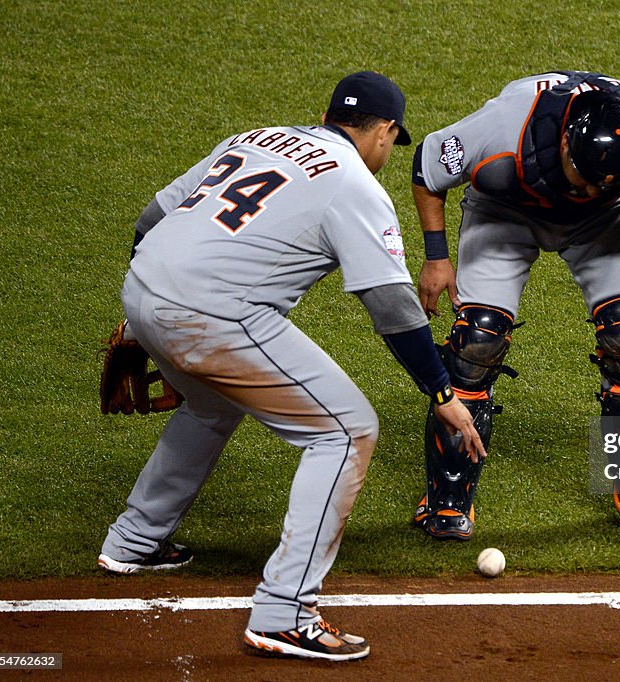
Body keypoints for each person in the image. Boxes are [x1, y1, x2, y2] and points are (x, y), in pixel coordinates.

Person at [97, 71, 486, 662]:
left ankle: (132, 541)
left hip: (144, 287)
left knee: (212, 401)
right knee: (347, 430)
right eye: (391, 140)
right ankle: (285, 613)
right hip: (211, 313)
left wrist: (147, 317)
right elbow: (391, 306)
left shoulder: (254, 138)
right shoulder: (353, 183)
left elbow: (152, 219)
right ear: (384, 132)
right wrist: (441, 391)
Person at [410, 70, 620, 541]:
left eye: (605, 181)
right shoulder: (505, 131)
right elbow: (427, 166)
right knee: (475, 343)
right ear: (563, 146)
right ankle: (447, 497)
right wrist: (436, 258)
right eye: (584, 178)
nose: (588, 189)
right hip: (505, 212)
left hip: (602, 224)